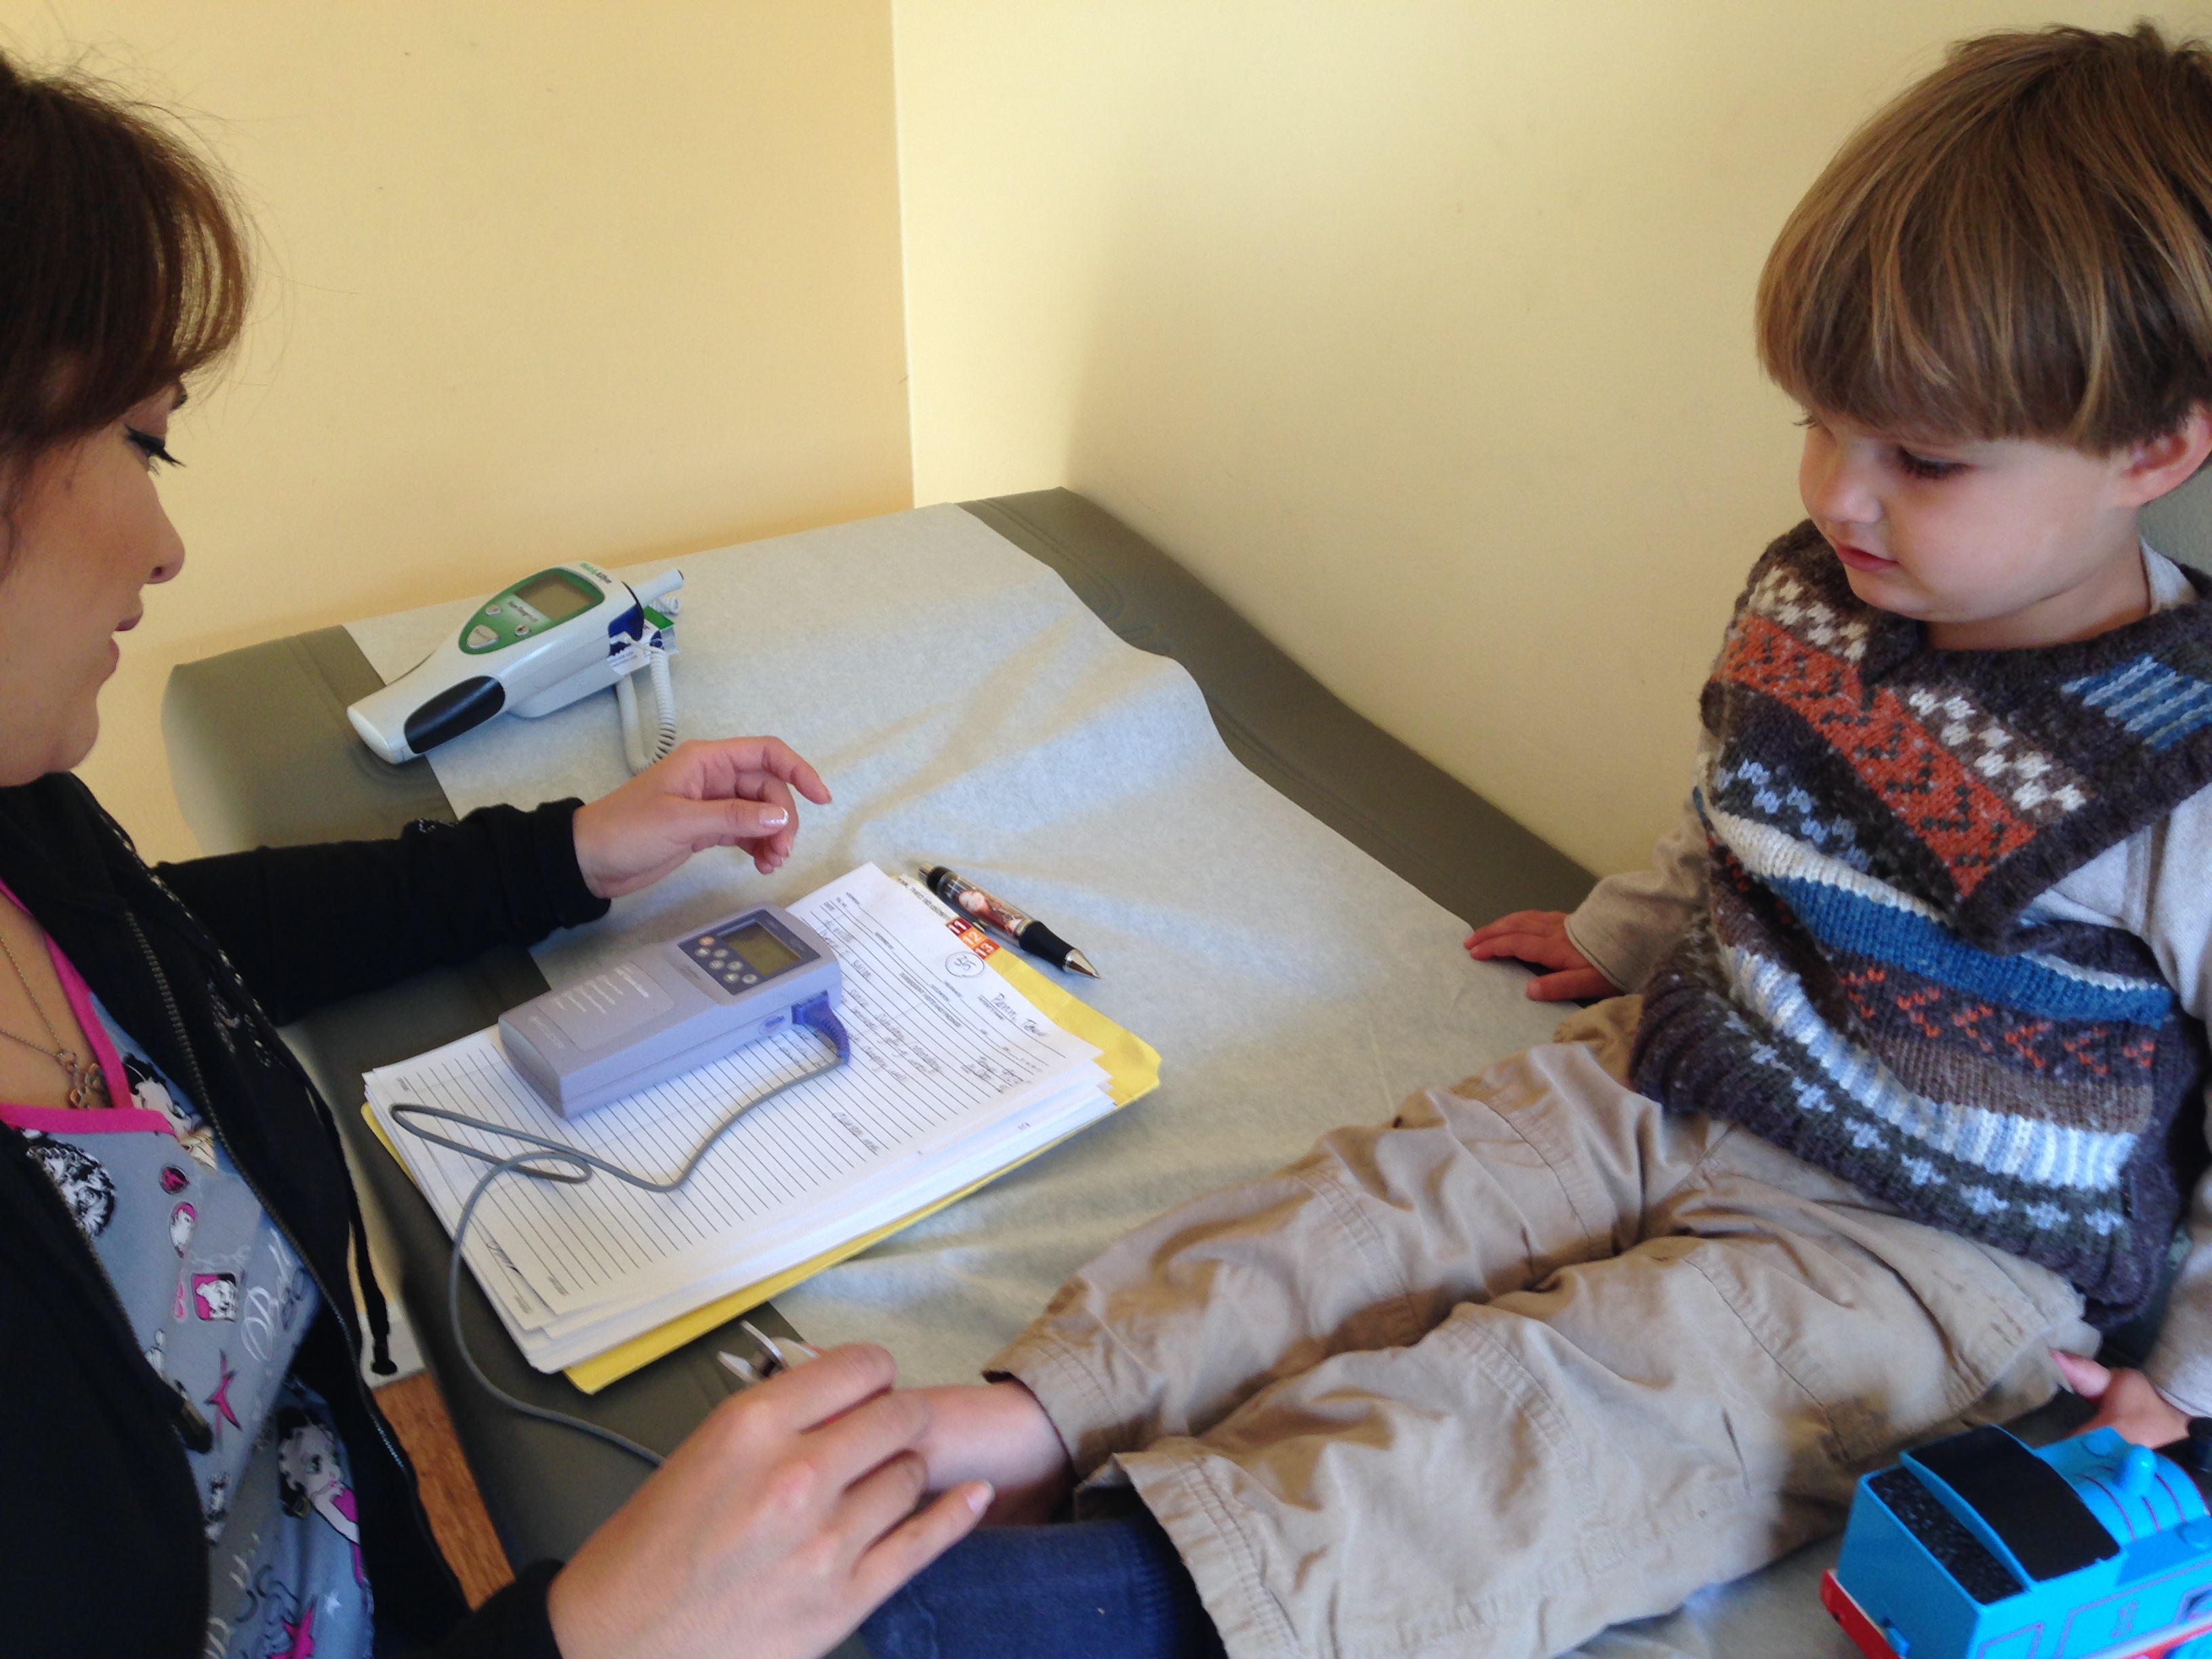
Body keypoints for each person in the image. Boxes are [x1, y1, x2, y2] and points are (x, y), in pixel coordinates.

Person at [872, 24, 2212, 1659]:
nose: (1839, 496)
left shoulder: (2182, 771)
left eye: (1922, 461)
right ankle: (1027, 1424)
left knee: (1608, 1415)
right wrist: (1623, 932)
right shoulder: (1823, 593)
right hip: (1685, 1064)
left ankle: (1150, 1594)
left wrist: (2190, 1380)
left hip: (1932, 1250)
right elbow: (1743, 812)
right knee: (1378, 1205)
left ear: (2157, 448)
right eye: (1820, 426)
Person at [0, 53, 989, 1659]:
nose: (167, 547)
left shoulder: (25, 820)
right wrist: (596, 1633)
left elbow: (173, 944)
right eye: (144, 439)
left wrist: (569, 853)